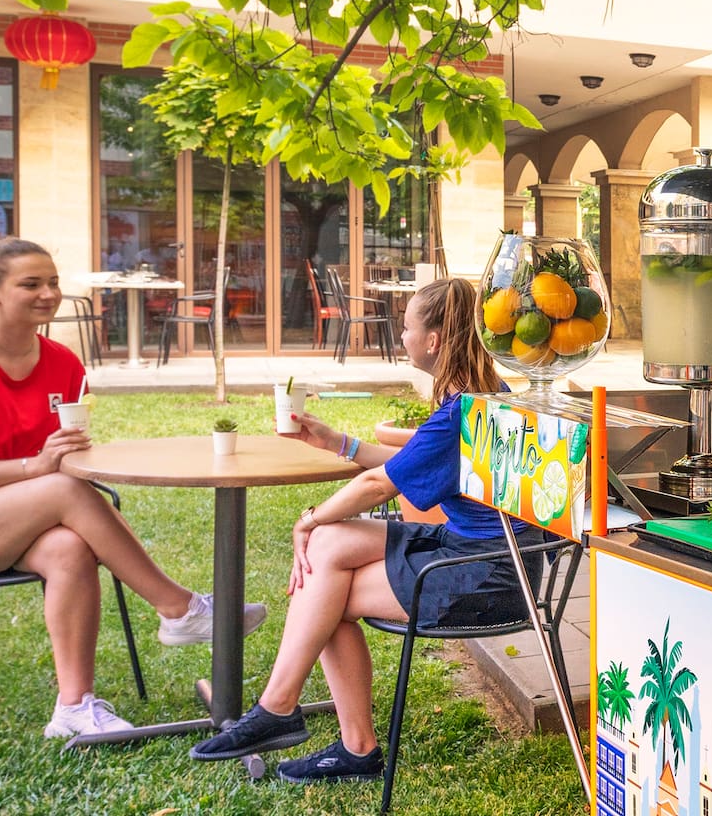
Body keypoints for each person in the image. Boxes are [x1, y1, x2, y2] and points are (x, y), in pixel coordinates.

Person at [0, 237, 268, 738]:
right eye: (31, 284)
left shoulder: (63, 364)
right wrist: (36, 467)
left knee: (69, 547)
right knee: (65, 491)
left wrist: (68, 458)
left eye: (52, 282)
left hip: (24, 510)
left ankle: (74, 707)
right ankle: (178, 607)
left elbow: (61, 456)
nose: (48, 293)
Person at [190, 278, 538, 784]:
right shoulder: (479, 395)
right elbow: (409, 460)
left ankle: (308, 724)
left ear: (434, 340)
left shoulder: (462, 410)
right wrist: (339, 443)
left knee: (325, 592)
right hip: (478, 549)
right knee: (329, 548)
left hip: (490, 574)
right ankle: (286, 713)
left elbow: (378, 485)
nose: (402, 336)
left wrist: (309, 518)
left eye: (406, 327)